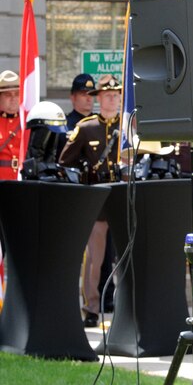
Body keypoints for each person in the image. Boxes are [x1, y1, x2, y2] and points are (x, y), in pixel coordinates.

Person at [59, 73, 123, 327]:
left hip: (121, 195)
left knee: (125, 256)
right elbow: (65, 161)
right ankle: (92, 308)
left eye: (116, 96)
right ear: (98, 99)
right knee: (95, 259)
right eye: (108, 96)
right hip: (97, 198)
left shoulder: (128, 126)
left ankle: (124, 305)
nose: (113, 100)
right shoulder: (86, 128)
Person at [0, 70, 22, 181]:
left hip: (23, 181)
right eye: (8, 95)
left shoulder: (27, 122)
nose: (13, 99)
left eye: (17, 94)